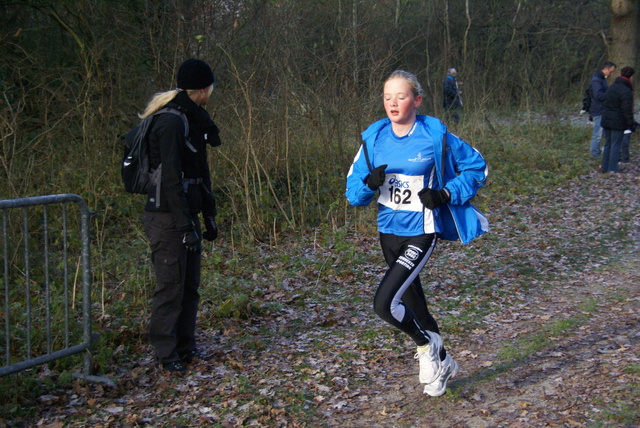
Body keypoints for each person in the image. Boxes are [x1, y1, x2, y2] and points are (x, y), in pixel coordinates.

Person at [346, 70, 488, 396]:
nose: (393, 103)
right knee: (417, 307)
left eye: (401, 96)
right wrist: (369, 186)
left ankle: (426, 346)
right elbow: (353, 193)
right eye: (387, 97)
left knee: (384, 304)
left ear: (417, 100)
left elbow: (477, 166)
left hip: (421, 232)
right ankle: (444, 362)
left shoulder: (433, 135)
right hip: (388, 233)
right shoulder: (374, 140)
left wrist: (447, 194)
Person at [141, 58, 221, 373]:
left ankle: (186, 348)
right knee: (171, 286)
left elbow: (200, 172)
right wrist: (184, 224)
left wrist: (208, 215)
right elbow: (172, 178)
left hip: (184, 214)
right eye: (211, 88)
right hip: (167, 216)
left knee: (189, 285)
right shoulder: (172, 122)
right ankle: (165, 353)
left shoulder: (192, 119)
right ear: (203, 89)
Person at [601, 66, 635, 173]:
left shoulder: (612, 87)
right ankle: (613, 168)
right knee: (616, 145)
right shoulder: (626, 90)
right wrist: (631, 123)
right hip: (618, 121)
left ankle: (605, 167)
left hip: (606, 118)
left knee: (608, 144)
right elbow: (626, 109)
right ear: (630, 77)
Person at [587, 61, 617, 158]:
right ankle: (594, 154)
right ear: (605, 69)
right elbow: (598, 95)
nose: (611, 74)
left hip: (602, 109)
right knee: (598, 133)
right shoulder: (597, 80)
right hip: (598, 110)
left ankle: (598, 152)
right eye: (611, 71)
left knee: (602, 133)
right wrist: (610, 95)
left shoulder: (600, 79)